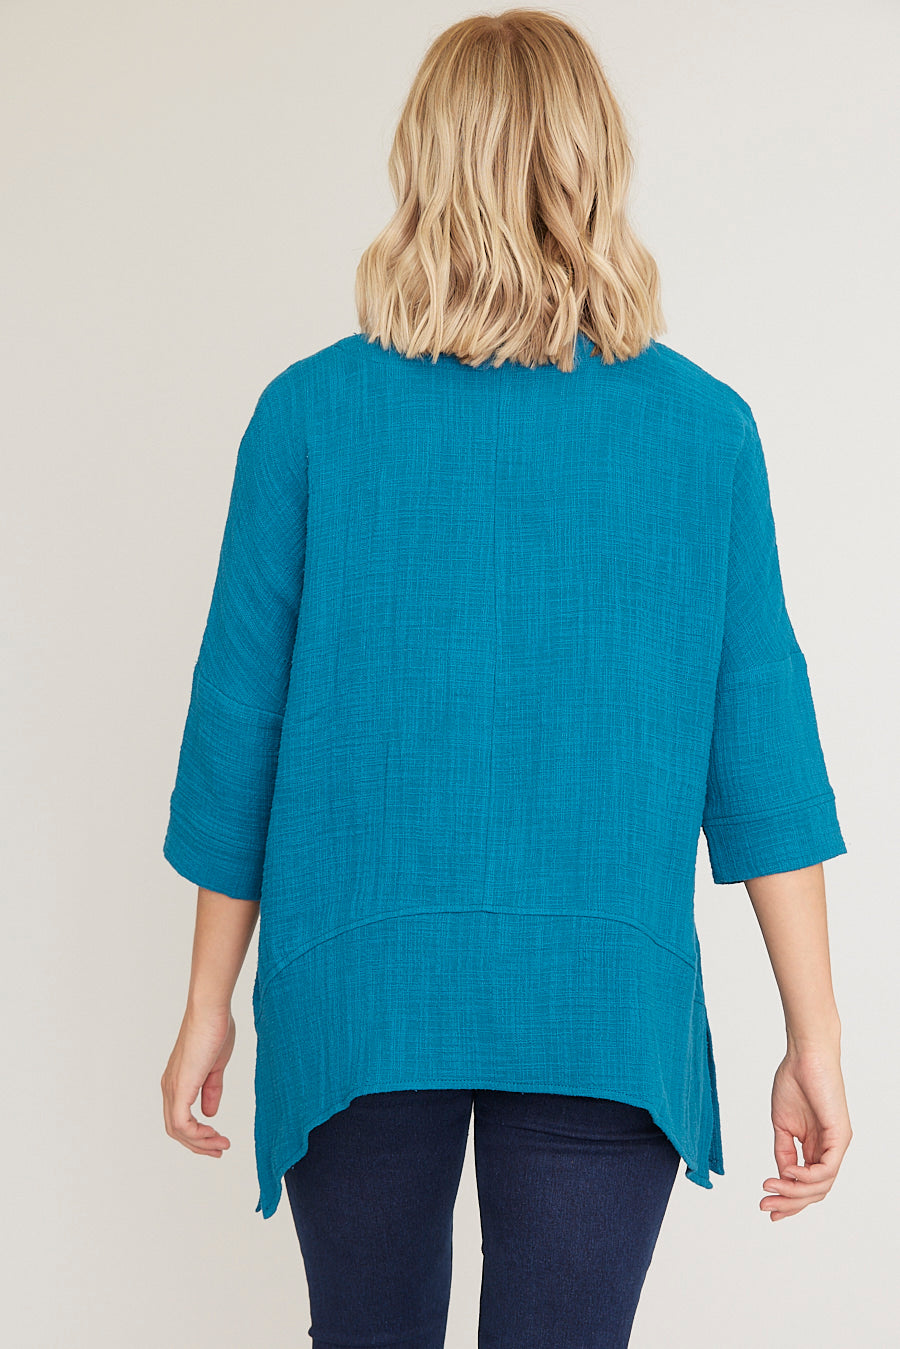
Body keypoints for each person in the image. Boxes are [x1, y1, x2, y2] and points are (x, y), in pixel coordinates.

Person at [159, 9, 852, 1346]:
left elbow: (237, 735)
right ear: (594, 164)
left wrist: (206, 1006)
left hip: (360, 992)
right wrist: (812, 1037)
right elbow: (765, 757)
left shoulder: (307, 417)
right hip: (602, 998)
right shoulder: (704, 433)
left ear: (423, 164)